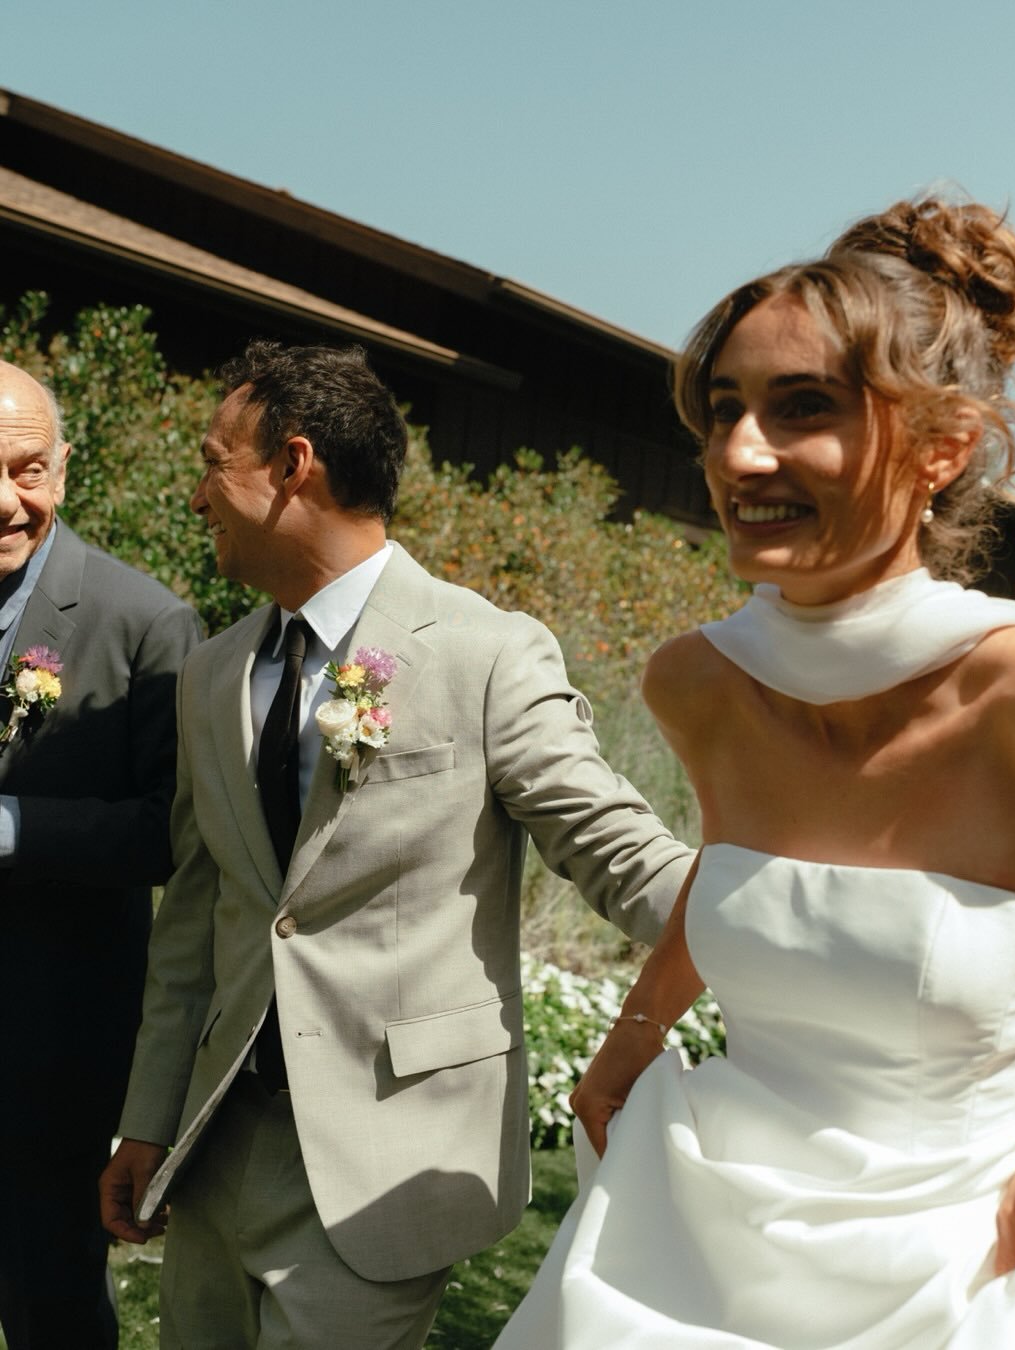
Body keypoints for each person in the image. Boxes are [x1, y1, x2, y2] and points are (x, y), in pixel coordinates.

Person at [495, 197, 1015, 1348]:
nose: (739, 456)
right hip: (701, 1231)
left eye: (801, 409)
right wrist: (626, 1048)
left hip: (972, 1256)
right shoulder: (699, 686)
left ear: (943, 447)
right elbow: (741, 866)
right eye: (723, 412)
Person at [98, 340, 692, 1349]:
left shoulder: (487, 651)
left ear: (292, 467)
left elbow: (620, 852)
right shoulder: (210, 674)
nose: (197, 495)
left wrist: (774, 925)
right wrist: (150, 1117)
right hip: (215, 1157)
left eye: (212, 462)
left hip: (387, 1159)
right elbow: (200, 916)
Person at [0, 362, 201, 1350]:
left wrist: (10, 829)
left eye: (28, 470)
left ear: (66, 469)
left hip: (45, 1053)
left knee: (50, 1305)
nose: (7, 501)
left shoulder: (144, 622)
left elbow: (174, 828)